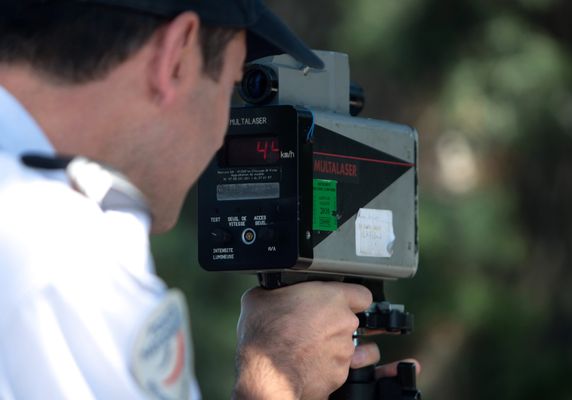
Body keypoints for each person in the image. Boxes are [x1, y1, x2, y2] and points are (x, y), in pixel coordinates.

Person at [0, 1, 415, 399]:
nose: (222, 135)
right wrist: (274, 378)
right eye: (231, 84)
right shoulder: (59, 249)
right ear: (177, 55)